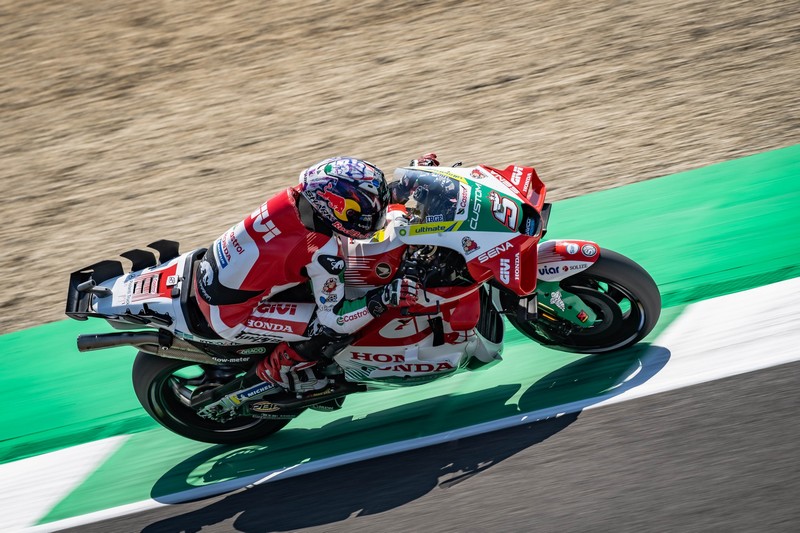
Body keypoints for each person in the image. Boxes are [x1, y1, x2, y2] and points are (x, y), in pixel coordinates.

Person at [195, 154, 439, 392]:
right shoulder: (320, 249)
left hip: (215, 273)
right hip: (231, 315)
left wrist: (404, 189)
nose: (370, 218)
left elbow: (355, 204)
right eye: (361, 213)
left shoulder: (301, 197)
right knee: (328, 330)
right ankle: (274, 373)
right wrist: (384, 297)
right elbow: (335, 319)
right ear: (338, 207)